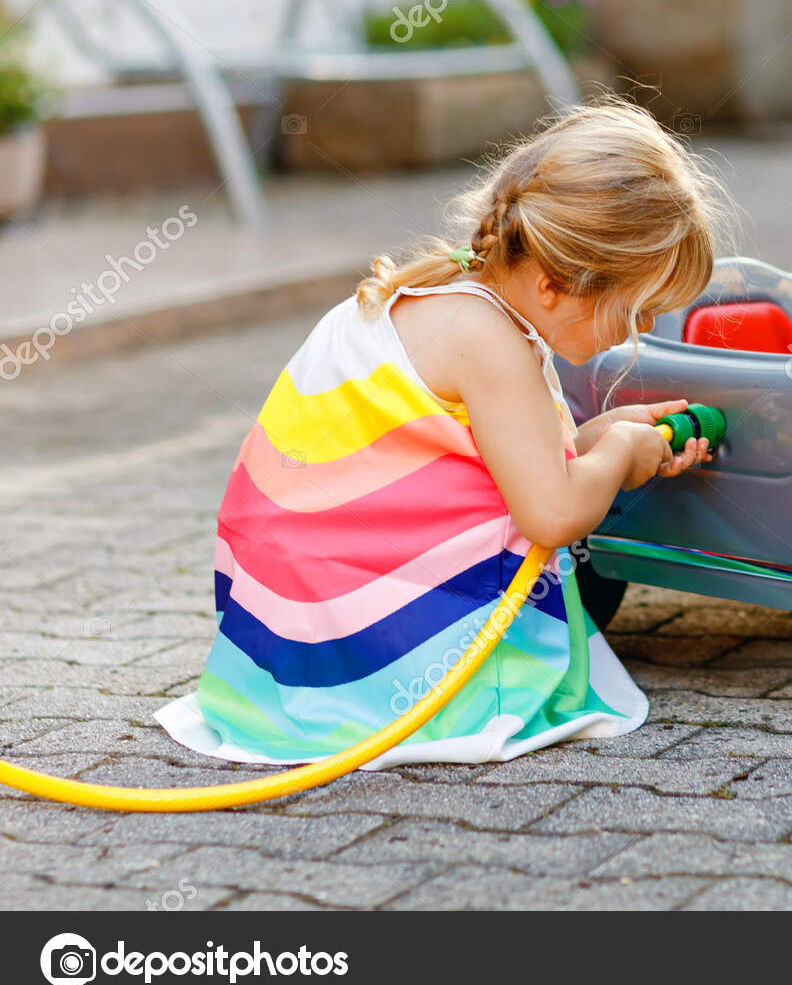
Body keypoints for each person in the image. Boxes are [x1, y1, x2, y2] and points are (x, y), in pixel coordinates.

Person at [156, 100, 725, 766]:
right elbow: (553, 512)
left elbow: (480, 461)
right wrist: (623, 453)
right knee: (567, 566)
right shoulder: (490, 341)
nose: (642, 331)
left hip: (279, 636)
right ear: (555, 284)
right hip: (355, 656)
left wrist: (602, 432)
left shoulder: (442, 291)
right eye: (635, 309)